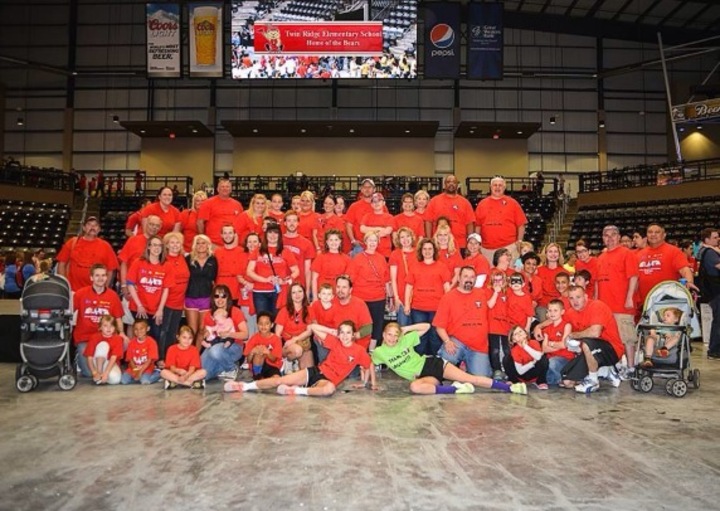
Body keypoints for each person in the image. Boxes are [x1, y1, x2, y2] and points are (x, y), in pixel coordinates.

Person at [224, 321, 375, 396]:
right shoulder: (335, 341)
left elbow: (369, 365)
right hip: (316, 371)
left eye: (348, 333)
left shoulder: (359, 351)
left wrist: (366, 383)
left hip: (327, 380)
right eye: (342, 332)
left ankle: (296, 391)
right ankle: (244, 386)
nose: (345, 336)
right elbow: (313, 327)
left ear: (354, 334)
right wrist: (332, 331)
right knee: (279, 380)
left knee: (329, 389)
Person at [371, 322, 527, 395]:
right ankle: (456, 389)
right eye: (389, 335)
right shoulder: (379, 352)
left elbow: (426, 326)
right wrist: (369, 382)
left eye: (395, 335)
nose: (392, 338)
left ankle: (509, 387)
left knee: (471, 378)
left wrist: (405, 329)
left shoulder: (405, 340)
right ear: (383, 335)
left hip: (432, 364)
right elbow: (368, 364)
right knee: (414, 387)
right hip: (424, 377)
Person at [534, 286, 624, 393]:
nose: (575, 301)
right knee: (567, 382)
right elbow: (556, 317)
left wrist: (573, 335)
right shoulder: (571, 312)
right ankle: (604, 371)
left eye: (578, 297)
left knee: (587, 343)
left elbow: (595, 333)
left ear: (585, 296)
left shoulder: (597, 306)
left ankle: (593, 380)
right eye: (571, 298)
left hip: (611, 349)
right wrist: (538, 327)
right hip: (588, 353)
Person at [434, 266, 492, 376]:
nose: (469, 279)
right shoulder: (448, 297)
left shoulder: (482, 293)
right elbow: (439, 326)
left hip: (478, 346)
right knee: (443, 364)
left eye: (472, 277)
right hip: (457, 342)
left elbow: (498, 289)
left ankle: (464, 366)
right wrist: (447, 341)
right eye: (465, 276)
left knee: (482, 377)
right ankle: (456, 364)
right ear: (459, 279)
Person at [596, 225, 638, 372]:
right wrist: (596, 302)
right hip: (605, 306)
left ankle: (631, 368)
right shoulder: (600, 257)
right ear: (602, 238)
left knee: (627, 337)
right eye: (606, 235)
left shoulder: (627, 253)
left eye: (613, 234)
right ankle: (616, 366)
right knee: (609, 338)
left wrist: (629, 298)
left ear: (619, 237)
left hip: (622, 304)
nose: (610, 238)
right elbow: (597, 281)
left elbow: (633, 277)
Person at [72, 264, 125, 378]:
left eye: (103, 275)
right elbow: (68, 312)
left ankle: (108, 366)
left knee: (125, 342)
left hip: (107, 337)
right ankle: (81, 359)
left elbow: (118, 318)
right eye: (97, 276)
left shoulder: (113, 296)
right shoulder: (80, 294)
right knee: (88, 374)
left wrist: (121, 333)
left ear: (107, 277)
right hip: (85, 338)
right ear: (91, 278)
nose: (100, 278)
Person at [404, 238, 452, 355]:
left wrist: (448, 307)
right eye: (424, 249)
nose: (427, 251)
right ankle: (419, 362)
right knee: (420, 337)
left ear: (434, 251)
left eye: (430, 249)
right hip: (418, 308)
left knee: (435, 336)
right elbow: (409, 287)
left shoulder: (442, 266)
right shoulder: (415, 266)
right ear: (421, 251)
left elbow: (447, 288)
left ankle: (434, 360)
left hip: (437, 309)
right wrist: (406, 304)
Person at [346, 230, 390, 351]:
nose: (372, 243)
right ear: (365, 242)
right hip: (360, 298)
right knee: (359, 325)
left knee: (377, 325)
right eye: (370, 240)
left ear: (378, 242)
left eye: (375, 240)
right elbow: (350, 279)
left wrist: (389, 298)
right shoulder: (357, 258)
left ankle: (371, 351)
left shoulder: (381, 258)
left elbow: (386, 280)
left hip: (378, 298)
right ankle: (357, 350)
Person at [126, 235, 174, 344]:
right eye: (154, 245)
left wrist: (160, 310)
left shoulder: (167, 266)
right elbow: (130, 284)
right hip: (139, 307)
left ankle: (152, 360)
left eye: (160, 246)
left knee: (155, 336)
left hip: (156, 309)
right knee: (140, 334)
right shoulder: (138, 262)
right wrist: (139, 305)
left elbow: (166, 289)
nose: (157, 248)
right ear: (148, 247)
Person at [247, 223, 299, 319]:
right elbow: (249, 271)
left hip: (279, 292)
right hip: (260, 292)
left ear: (279, 235)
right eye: (270, 232)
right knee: (263, 321)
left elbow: (296, 271)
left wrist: (284, 281)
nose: (273, 235)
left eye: (276, 233)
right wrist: (265, 280)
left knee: (277, 320)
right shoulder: (257, 251)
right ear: (266, 235)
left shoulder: (286, 251)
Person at [637, 224, 697, 305]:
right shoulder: (639, 254)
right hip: (645, 302)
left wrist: (689, 282)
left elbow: (684, 269)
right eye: (650, 232)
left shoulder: (674, 251)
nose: (653, 234)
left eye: (657, 232)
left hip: (667, 301)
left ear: (664, 235)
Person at [200, 284, 249, 381]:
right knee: (202, 374)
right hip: (214, 345)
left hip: (233, 346)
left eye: (223, 296)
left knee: (215, 351)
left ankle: (232, 368)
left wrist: (229, 334)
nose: (220, 299)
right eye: (216, 296)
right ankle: (222, 369)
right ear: (213, 298)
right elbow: (205, 334)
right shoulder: (209, 314)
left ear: (228, 298)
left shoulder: (235, 311)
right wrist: (206, 334)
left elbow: (245, 335)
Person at [57, 216, 119, 291]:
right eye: (89, 224)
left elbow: (111, 270)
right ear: (84, 228)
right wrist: (64, 285)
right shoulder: (72, 243)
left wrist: (104, 289)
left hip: (95, 292)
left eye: (95, 225)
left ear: (99, 229)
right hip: (73, 291)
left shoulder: (106, 246)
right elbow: (61, 264)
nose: (92, 227)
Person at [475, 176, 528, 264]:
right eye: (495, 185)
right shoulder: (482, 204)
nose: (497, 187)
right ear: (490, 187)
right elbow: (477, 226)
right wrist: (477, 244)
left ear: (504, 188)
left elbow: (521, 224)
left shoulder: (513, 203)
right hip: (487, 250)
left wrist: (519, 241)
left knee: (509, 275)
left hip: (509, 247)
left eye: (500, 185)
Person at [157, 232, 188, 367]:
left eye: (178, 242)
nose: (175, 245)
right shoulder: (163, 260)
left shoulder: (184, 258)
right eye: (172, 242)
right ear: (167, 245)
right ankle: (160, 359)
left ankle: (170, 359)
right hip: (166, 301)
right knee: (163, 331)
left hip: (179, 302)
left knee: (173, 332)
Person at [425, 175, 475, 251]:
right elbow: (428, 221)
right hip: (438, 244)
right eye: (448, 182)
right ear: (444, 184)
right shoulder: (434, 201)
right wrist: (429, 240)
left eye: (454, 182)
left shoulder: (465, 203)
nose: (451, 184)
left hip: (460, 244)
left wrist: (470, 242)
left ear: (457, 185)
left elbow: (470, 223)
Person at [184, 234, 218, 347]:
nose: (200, 245)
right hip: (191, 297)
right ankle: (188, 354)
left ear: (208, 245)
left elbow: (215, 279)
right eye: (198, 243)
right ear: (194, 245)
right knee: (192, 330)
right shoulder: (188, 259)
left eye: (203, 243)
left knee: (202, 329)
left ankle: (196, 357)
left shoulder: (213, 259)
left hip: (206, 298)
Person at [276, 283, 314, 370]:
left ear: (304, 293)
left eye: (300, 291)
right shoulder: (284, 310)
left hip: (304, 342)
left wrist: (295, 339)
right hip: (287, 344)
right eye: (294, 292)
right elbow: (277, 334)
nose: (297, 295)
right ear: (290, 295)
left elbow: (309, 331)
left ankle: (295, 362)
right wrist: (279, 351)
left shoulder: (309, 310)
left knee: (308, 372)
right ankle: (287, 360)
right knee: (297, 351)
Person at [197, 178, 244, 246]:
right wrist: (203, 239)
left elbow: (241, 224)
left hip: (233, 244)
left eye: (227, 187)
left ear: (231, 189)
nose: (225, 188)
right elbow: (200, 222)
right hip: (213, 244)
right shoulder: (208, 203)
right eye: (222, 186)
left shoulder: (238, 205)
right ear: (217, 189)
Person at [696, 228, 720, 358]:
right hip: (716, 291)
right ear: (707, 239)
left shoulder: (707, 251)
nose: (718, 239)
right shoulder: (710, 253)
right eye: (715, 237)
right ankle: (715, 350)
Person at [539, 299, 574, 386]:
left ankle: (567, 378)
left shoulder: (567, 325)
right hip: (550, 360)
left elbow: (564, 345)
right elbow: (544, 349)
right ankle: (560, 379)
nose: (552, 313)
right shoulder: (547, 329)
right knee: (546, 379)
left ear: (562, 312)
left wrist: (550, 344)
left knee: (553, 362)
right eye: (550, 310)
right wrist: (557, 345)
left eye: (555, 310)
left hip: (565, 358)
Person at [504, 325, 549, 390]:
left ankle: (541, 381)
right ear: (513, 340)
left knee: (543, 358)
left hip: (534, 373)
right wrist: (532, 363)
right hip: (521, 375)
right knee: (506, 358)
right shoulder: (515, 350)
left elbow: (539, 357)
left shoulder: (534, 342)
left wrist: (525, 346)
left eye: (520, 331)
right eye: (516, 334)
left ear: (525, 334)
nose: (519, 334)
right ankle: (513, 380)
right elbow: (520, 371)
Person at [389, 227, 417, 327]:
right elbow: (393, 278)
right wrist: (396, 297)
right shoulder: (395, 254)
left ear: (412, 237)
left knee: (416, 330)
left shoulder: (419, 252)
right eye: (402, 237)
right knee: (403, 328)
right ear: (399, 240)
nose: (405, 239)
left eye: (407, 236)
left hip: (417, 297)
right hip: (401, 296)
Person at [283, 210, 316, 293]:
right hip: (281, 283)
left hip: (299, 285)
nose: (292, 223)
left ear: (298, 223)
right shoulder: (278, 241)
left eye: (294, 221)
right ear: (285, 223)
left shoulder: (306, 243)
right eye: (289, 220)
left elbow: (308, 270)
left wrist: (307, 290)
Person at [311, 229, 350, 300]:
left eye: (336, 240)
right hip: (324, 294)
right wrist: (315, 298)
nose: (333, 242)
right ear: (327, 242)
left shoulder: (347, 259)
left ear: (340, 241)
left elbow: (347, 281)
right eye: (331, 240)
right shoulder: (320, 257)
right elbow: (314, 279)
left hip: (339, 294)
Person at [345, 178, 380, 256]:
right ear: (361, 189)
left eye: (369, 187)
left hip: (377, 246)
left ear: (374, 189)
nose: (367, 189)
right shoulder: (354, 206)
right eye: (364, 187)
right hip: (360, 246)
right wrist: (353, 240)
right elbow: (348, 225)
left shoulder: (380, 206)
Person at [85, 315, 124, 385]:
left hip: (109, 363)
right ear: (100, 327)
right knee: (103, 344)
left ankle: (103, 377)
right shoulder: (94, 337)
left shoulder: (118, 339)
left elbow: (113, 358)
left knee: (116, 380)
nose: (108, 328)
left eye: (111, 326)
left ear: (115, 328)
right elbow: (89, 357)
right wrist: (94, 372)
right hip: (96, 361)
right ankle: (99, 373)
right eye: (105, 326)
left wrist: (106, 373)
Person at [244, 311, 283, 380]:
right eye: (260, 324)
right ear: (257, 325)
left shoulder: (276, 339)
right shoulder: (254, 338)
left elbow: (274, 359)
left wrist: (267, 352)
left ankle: (264, 380)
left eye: (266, 324)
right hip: (258, 364)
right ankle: (257, 375)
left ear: (272, 325)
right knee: (258, 353)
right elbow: (249, 360)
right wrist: (252, 352)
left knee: (276, 379)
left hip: (272, 366)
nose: (263, 326)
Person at [120, 319, 160, 385]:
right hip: (134, 368)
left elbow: (149, 360)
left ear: (147, 329)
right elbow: (130, 359)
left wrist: (140, 372)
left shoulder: (151, 342)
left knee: (144, 381)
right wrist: (136, 371)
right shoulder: (131, 342)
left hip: (147, 368)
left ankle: (158, 373)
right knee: (123, 381)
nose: (139, 331)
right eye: (136, 329)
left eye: (141, 328)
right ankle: (139, 377)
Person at [360, 192, 395, 259]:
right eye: (374, 201)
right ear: (371, 204)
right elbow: (362, 229)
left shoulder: (389, 217)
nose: (376, 203)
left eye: (379, 200)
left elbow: (387, 231)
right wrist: (379, 229)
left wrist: (369, 232)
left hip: (385, 253)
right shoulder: (367, 216)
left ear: (384, 203)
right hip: (370, 251)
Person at [535, 242, 565, 320]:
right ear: (545, 254)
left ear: (559, 254)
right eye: (550, 251)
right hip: (543, 305)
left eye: (555, 251)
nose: (553, 254)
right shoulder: (538, 271)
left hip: (559, 305)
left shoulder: (564, 272)